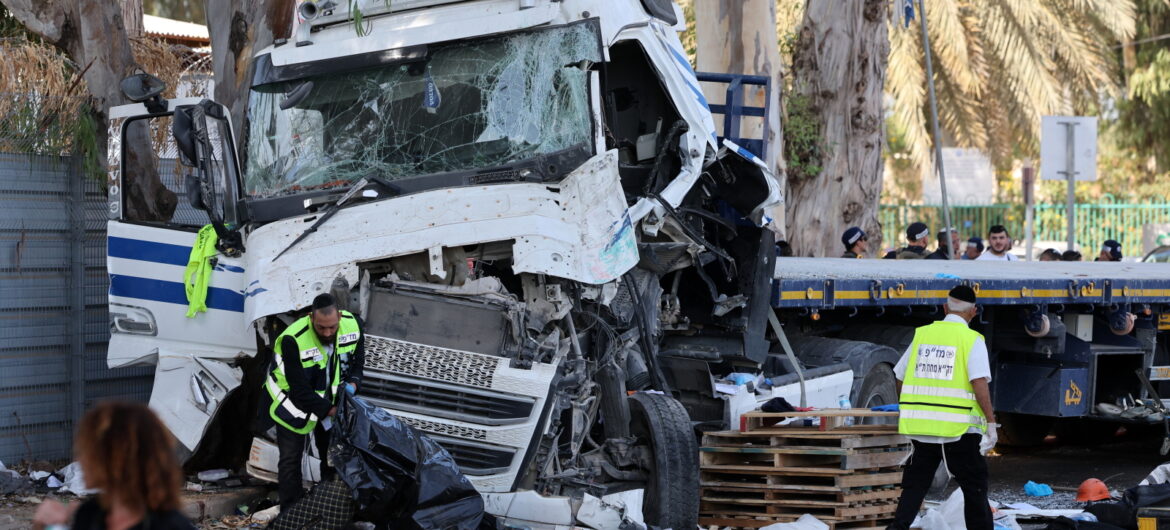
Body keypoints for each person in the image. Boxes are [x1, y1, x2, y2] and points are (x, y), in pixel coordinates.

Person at [889, 285, 997, 530]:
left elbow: (899, 376)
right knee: (974, 486)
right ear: (974, 311)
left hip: (921, 427)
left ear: (944, 307)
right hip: (957, 430)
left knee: (916, 484)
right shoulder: (972, 339)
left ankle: (898, 527)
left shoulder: (923, 334)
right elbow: (978, 381)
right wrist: (990, 424)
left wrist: (911, 407)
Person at [261, 293, 366, 510]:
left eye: (332, 327)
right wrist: (332, 410)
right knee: (290, 461)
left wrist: (354, 384)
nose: (327, 333)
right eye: (321, 328)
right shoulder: (293, 339)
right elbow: (299, 390)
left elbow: (358, 363)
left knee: (332, 458)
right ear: (311, 318)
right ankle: (291, 514)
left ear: (339, 316)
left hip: (328, 401)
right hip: (291, 403)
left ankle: (329, 510)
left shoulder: (353, 325)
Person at [33, 402, 197, 530]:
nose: (80, 458)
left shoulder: (169, 526)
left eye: (88, 450)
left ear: (116, 459)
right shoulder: (90, 515)